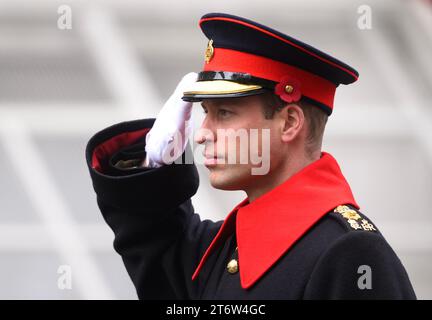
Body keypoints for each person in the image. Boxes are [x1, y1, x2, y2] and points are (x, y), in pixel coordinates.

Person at [85, 12, 416, 299]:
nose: (201, 133)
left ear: (288, 122)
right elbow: (154, 243)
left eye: (225, 113)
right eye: (206, 112)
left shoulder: (350, 253)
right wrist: (153, 163)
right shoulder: (228, 249)